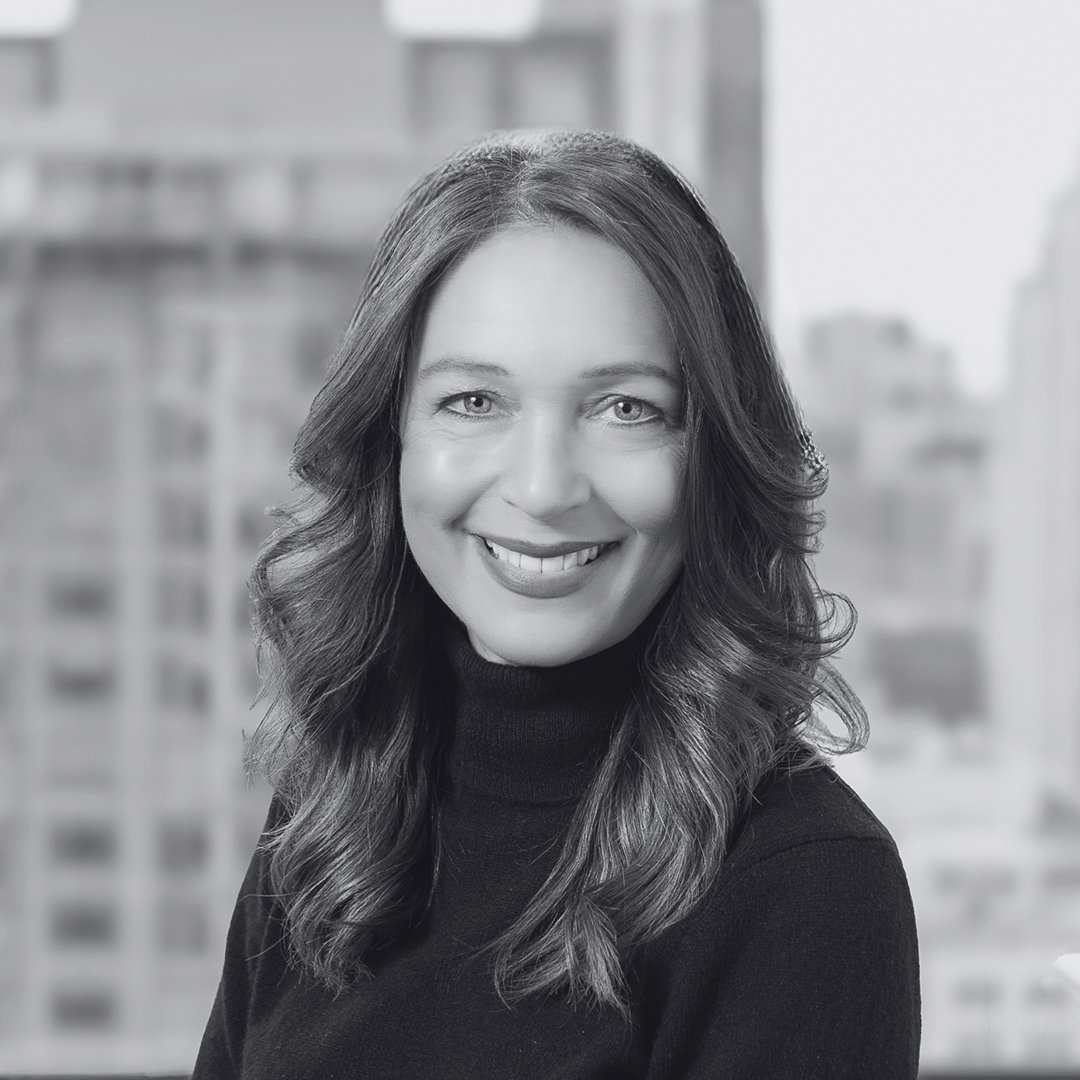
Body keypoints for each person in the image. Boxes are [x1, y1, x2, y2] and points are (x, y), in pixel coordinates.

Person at [193, 129, 920, 1079]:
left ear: (713, 454)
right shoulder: (336, 811)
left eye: (625, 408)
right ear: (392, 434)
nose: (541, 489)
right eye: (474, 402)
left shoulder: (809, 885)